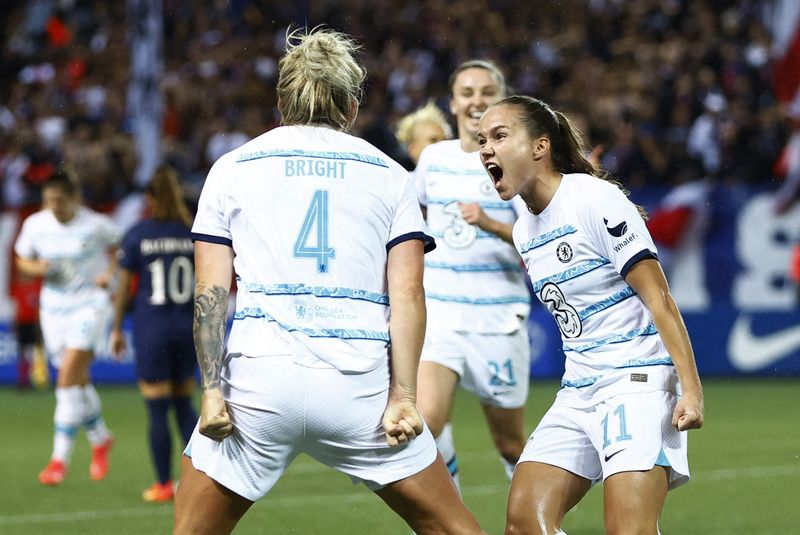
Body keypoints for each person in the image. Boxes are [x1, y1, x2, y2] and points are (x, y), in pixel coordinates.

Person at [173, 28, 485, 535]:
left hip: (258, 386)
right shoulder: (390, 174)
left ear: (280, 99)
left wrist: (211, 391)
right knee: (454, 529)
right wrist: (403, 396)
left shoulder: (231, 168)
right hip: (357, 385)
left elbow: (210, 293)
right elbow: (407, 296)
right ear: (352, 105)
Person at [477, 95, 704, 535]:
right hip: (578, 390)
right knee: (524, 523)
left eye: (500, 136)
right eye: (482, 140)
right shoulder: (524, 228)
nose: (486, 148)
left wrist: (690, 391)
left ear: (540, 147)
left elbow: (660, 299)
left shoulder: (594, 199)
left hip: (636, 383)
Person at [413, 60, 532, 486]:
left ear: (500, 101)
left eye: (486, 92)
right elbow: (413, 226)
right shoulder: (433, 160)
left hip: (496, 321)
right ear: (453, 103)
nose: (476, 101)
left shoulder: (517, 164)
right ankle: (454, 523)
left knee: (510, 444)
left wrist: (492, 224)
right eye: (467, 92)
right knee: (425, 426)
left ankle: (535, 521)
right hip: (440, 316)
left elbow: (539, 239)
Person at [14, 167, 120, 486]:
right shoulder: (35, 224)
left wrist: (109, 273)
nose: (54, 207)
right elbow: (22, 261)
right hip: (54, 309)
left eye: (60, 200)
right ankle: (100, 438)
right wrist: (37, 267)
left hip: (90, 305)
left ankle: (59, 460)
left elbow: (119, 250)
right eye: (48, 200)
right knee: (77, 380)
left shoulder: (96, 225)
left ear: (75, 198)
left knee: (66, 379)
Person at [110, 165, 198, 503]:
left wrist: (117, 328)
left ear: (148, 197)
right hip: (187, 327)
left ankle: (163, 484)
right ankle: (199, 480)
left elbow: (122, 288)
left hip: (152, 329)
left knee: (157, 409)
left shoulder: (138, 234)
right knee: (184, 405)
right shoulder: (192, 231)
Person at [396, 100, 453, 167]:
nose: (442, 145)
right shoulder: (402, 177)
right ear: (412, 149)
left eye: (444, 140)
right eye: (433, 140)